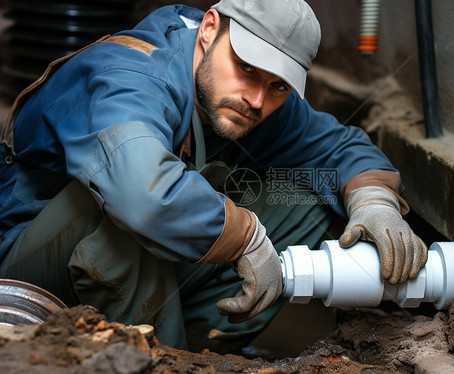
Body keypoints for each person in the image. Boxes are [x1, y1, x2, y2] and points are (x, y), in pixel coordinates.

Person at [0, 0, 427, 352]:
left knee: (302, 200)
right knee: (125, 209)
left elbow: (339, 146)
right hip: (24, 270)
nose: (256, 98)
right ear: (208, 29)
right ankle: (160, 358)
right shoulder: (130, 77)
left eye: (278, 85)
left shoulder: (255, 95)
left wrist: (375, 200)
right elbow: (145, 194)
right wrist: (244, 237)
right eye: (246, 67)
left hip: (120, 259)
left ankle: (186, 349)